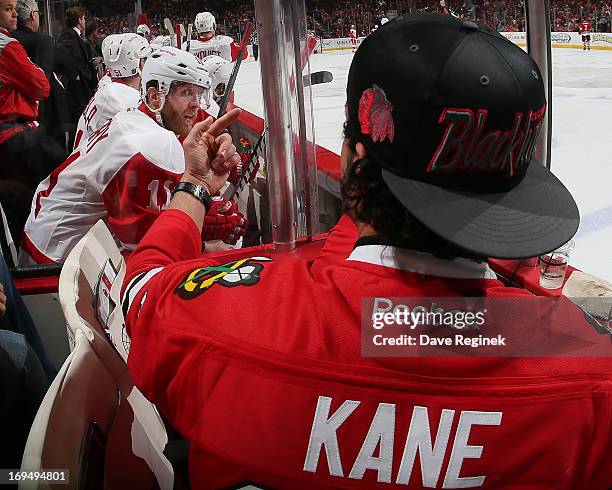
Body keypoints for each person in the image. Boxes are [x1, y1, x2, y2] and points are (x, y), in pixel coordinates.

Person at [122, 15, 612, 488]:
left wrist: (196, 188)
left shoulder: (216, 318)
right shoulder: (594, 383)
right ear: (514, 192)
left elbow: (140, 290)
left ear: (356, 157)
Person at [20, 47, 247, 265]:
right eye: (186, 92)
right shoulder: (150, 143)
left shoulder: (135, 118)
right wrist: (204, 247)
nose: (196, 105)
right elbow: (146, 249)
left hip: (46, 239)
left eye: (198, 94)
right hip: (54, 264)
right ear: (155, 96)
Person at [0, 0, 66, 243]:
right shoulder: (6, 45)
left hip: (10, 139)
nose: (15, 14)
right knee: (56, 185)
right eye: (8, 8)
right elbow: (41, 86)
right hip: (15, 136)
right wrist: (35, 70)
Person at [73, 33, 151, 149]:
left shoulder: (110, 86)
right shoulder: (123, 98)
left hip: (90, 158)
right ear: (140, 63)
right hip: (97, 164)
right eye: (145, 58)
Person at [13, 0, 72, 151]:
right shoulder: (43, 41)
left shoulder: (10, 41)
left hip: (18, 112)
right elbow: (64, 64)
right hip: (47, 114)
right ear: (33, 15)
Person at [57, 5, 97, 139]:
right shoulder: (68, 34)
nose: (85, 21)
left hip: (84, 89)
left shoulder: (78, 37)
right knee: (78, 124)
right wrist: (73, 74)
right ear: (80, 20)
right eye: (84, 18)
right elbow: (59, 55)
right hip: (77, 91)